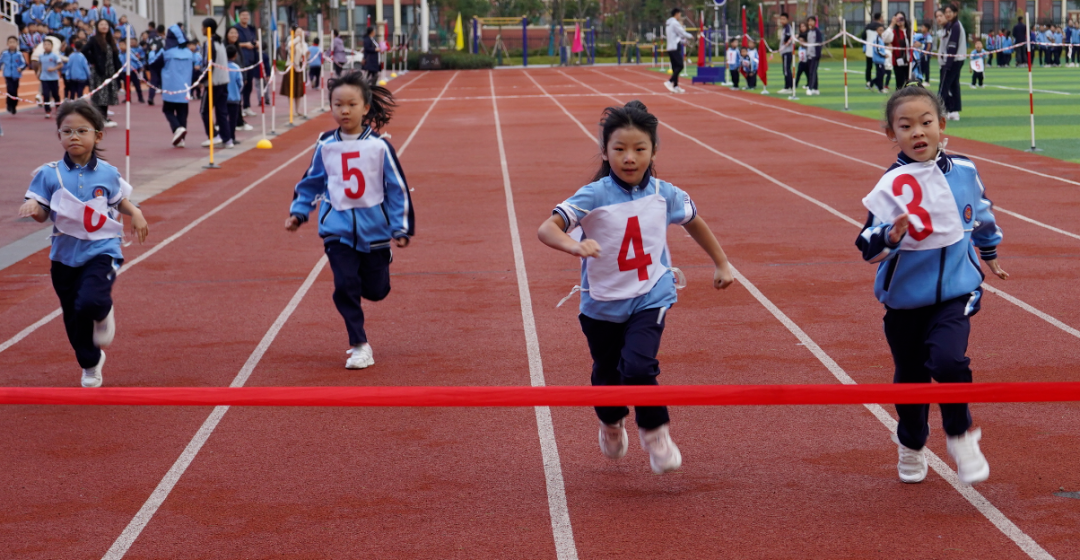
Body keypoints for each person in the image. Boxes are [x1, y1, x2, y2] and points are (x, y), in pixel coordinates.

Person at [537, 100, 734, 475]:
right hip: (601, 303)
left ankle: (655, 433)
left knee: (640, 366)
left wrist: (721, 262)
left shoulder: (665, 194)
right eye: (620, 149)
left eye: (640, 149)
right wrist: (574, 245)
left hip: (651, 294)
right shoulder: (593, 195)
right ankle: (611, 422)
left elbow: (694, 221)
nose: (630, 158)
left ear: (654, 151)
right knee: (607, 373)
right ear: (605, 152)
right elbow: (547, 228)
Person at [856, 84, 1005, 486]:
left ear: (941, 125)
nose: (917, 132)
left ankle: (961, 435)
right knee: (911, 377)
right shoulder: (890, 185)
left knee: (949, 361)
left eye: (925, 123)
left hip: (956, 291)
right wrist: (889, 235)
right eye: (905, 126)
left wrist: (989, 254)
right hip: (905, 301)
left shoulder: (966, 170)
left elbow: (983, 215)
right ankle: (910, 442)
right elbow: (866, 247)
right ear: (892, 134)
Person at [285, 71, 413, 370]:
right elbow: (312, 182)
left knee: (376, 291)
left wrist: (400, 227)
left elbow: (397, 188)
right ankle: (359, 344)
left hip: (376, 232)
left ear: (365, 107)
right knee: (345, 284)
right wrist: (299, 212)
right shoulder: (326, 145)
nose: (344, 110)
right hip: (337, 230)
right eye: (337, 104)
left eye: (351, 104)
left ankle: (383, 260)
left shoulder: (379, 147)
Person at [18, 99, 149, 388]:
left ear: (97, 135)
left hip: (102, 249)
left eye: (81, 130)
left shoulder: (107, 172)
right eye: (67, 131)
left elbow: (119, 200)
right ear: (59, 136)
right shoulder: (49, 174)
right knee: (74, 317)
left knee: (91, 300)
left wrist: (136, 213)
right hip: (64, 256)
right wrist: (33, 207)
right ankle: (90, 362)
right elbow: (41, 212)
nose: (74, 136)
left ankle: (102, 312)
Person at [156, 24, 199, 147]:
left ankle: (177, 128)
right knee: (183, 112)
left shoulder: (167, 53)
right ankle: (182, 139)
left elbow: (153, 64)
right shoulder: (190, 53)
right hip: (185, 87)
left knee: (167, 109)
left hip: (170, 87)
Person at [81, 18, 120, 127]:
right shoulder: (94, 39)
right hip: (99, 72)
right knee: (99, 97)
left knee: (106, 96)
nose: (104, 26)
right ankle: (99, 119)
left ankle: (104, 118)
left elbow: (115, 56)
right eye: (102, 24)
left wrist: (118, 70)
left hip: (110, 72)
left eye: (106, 24)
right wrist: (93, 61)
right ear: (97, 27)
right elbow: (84, 50)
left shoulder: (110, 40)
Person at [199, 18, 230, 148]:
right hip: (224, 80)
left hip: (213, 82)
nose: (201, 29)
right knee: (221, 111)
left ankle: (213, 136)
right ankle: (227, 139)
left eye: (202, 27)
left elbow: (208, 64)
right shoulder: (220, 42)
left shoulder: (209, 43)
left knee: (204, 111)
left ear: (207, 28)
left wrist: (201, 79)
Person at [938, 4, 965, 121]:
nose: (947, 14)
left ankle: (940, 111)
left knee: (944, 85)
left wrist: (947, 64)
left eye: (950, 12)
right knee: (954, 85)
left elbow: (953, 46)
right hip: (955, 59)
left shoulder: (956, 26)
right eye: (946, 12)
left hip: (954, 60)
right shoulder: (951, 26)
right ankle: (954, 111)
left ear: (955, 13)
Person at [233, 9, 258, 118]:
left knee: (249, 85)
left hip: (251, 60)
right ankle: (239, 107)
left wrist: (256, 43)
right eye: (243, 15)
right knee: (241, 84)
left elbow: (253, 41)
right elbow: (234, 42)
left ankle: (247, 106)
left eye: (247, 15)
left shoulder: (251, 29)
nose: (245, 17)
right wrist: (245, 45)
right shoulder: (235, 29)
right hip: (240, 60)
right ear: (239, 16)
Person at [664, 8, 693, 93]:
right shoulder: (674, 23)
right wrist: (691, 36)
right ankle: (669, 82)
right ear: (676, 14)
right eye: (679, 14)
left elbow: (677, 36)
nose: (680, 16)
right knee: (680, 65)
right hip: (674, 48)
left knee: (675, 67)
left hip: (670, 47)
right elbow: (682, 32)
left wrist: (685, 41)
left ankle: (675, 86)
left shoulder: (668, 23)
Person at [882, 11, 910, 88]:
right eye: (897, 19)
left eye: (901, 18)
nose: (899, 21)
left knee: (909, 83)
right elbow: (885, 38)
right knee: (900, 84)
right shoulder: (894, 32)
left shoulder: (909, 32)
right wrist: (892, 24)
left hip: (909, 61)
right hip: (898, 61)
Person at [280, 25, 306, 104]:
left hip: (298, 67)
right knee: (290, 89)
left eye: (300, 32)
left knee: (298, 90)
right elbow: (289, 46)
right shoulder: (291, 40)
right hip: (290, 66)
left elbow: (306, 53)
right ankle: (291, 110)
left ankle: (297, 110)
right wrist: (297, 39)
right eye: (297, 32)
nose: (299, 33)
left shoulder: (303, 44)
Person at [224, 44, 243, 149]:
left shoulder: (222, 67)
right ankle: (232, 137)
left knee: (223, 118)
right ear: (235, 55)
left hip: (224, 97)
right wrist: (238, 92)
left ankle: (225, 136)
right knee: (233, 119)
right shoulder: (236, 68)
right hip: (235, 98)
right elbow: (240, 83)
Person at [2, 36, 27, 115]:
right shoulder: (4, 53)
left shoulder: (19, 54)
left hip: (16, 75)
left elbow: (24, 64)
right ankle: (9, 105)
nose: (12, 44)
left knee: (15, 91)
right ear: (7, 43)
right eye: (10, 42)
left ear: (17, 44)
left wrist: (21, 68)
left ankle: (14, 105)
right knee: (9, 90)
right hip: (7, 74)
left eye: (13, 42)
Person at [38, 38, 62, 118]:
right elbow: (40, 65)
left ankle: (58, 108)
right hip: (44, 78)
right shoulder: (41, 56)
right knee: (46, 95)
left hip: (53, 78)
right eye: (45, 44)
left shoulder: (54, 56)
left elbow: (60, 65)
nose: (46, 46)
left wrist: (53, 69)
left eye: (48, 44)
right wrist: (39, 72)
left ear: (52, 46)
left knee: (55, 94)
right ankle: (47, 111)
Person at [117, 38, 143, 103]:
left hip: (132, 71)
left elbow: (136, 60)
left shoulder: (130, 53)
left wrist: (140, 66)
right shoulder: (119, 55)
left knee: (137, 84)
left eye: (123, 45)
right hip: (124, 72)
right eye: (120, 45)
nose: (121, 47)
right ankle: (128, 98)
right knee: (126, 85)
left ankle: (140, 98)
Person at [864, 12, 885, 88]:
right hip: (877, 51)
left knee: (869, 67)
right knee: (880, 70)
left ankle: (868, 81)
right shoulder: (880, 27)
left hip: (869, 50)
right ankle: (877, 84)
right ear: (880, 18)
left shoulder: (868, 26)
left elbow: (863, 37)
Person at [805, 16, 822, 95]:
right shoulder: (809, 32)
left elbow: (819, 43)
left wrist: (818, 55)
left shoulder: (817, 32)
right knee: (812, 71)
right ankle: (815, 88)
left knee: (812, 71)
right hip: (809, 55)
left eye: (811, 21)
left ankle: (810, 88)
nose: (810, 23)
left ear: (815, 22)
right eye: (809, 21)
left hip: (815, 55)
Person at [778, 12, 794, 94]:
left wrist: (785, 41)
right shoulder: (784, 28)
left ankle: (788, 87)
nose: (782, 20)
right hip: (784, 52)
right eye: (781, 19)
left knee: (786, 69)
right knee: (786, 69)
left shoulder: (787, 27)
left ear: (787, 20)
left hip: (787, 51)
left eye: (783, 19)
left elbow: (789, 36)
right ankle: (789, 86)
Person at [870, 25, 887, 92]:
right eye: (880, 30)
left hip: (881, 60)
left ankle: (872, 83)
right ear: (877, 31)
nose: (881, 31)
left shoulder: (881, 38)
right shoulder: (877, 39)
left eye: (882, 30)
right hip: (878, 59)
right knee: (881, 73)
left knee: (882, 73)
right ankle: (880, 88)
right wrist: (884, 55)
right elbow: (877, 49)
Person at [795, 23, 809, 89]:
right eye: (801, 26)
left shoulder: (807, 34)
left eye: (803, 26)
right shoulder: (800, 47)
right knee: (798, 73)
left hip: (806, 61)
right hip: (801, 61)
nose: (802, 28)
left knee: (808, 74)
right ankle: (795, 84)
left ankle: (809, 84)